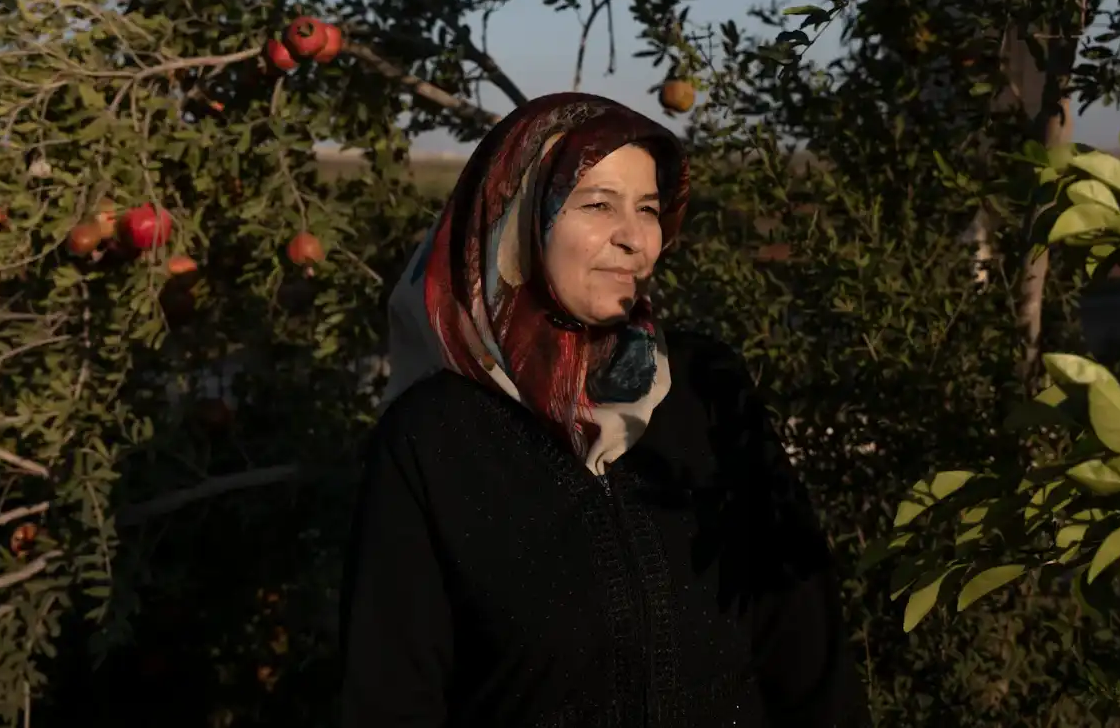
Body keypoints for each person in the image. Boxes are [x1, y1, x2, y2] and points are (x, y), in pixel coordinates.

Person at [339, 92, 869, 727]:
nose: (635, 239)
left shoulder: (705, 390)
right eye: (598, 205)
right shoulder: (434, 437)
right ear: (517, 220)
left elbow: (807, 650)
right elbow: (390, 698)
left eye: (648, 209)